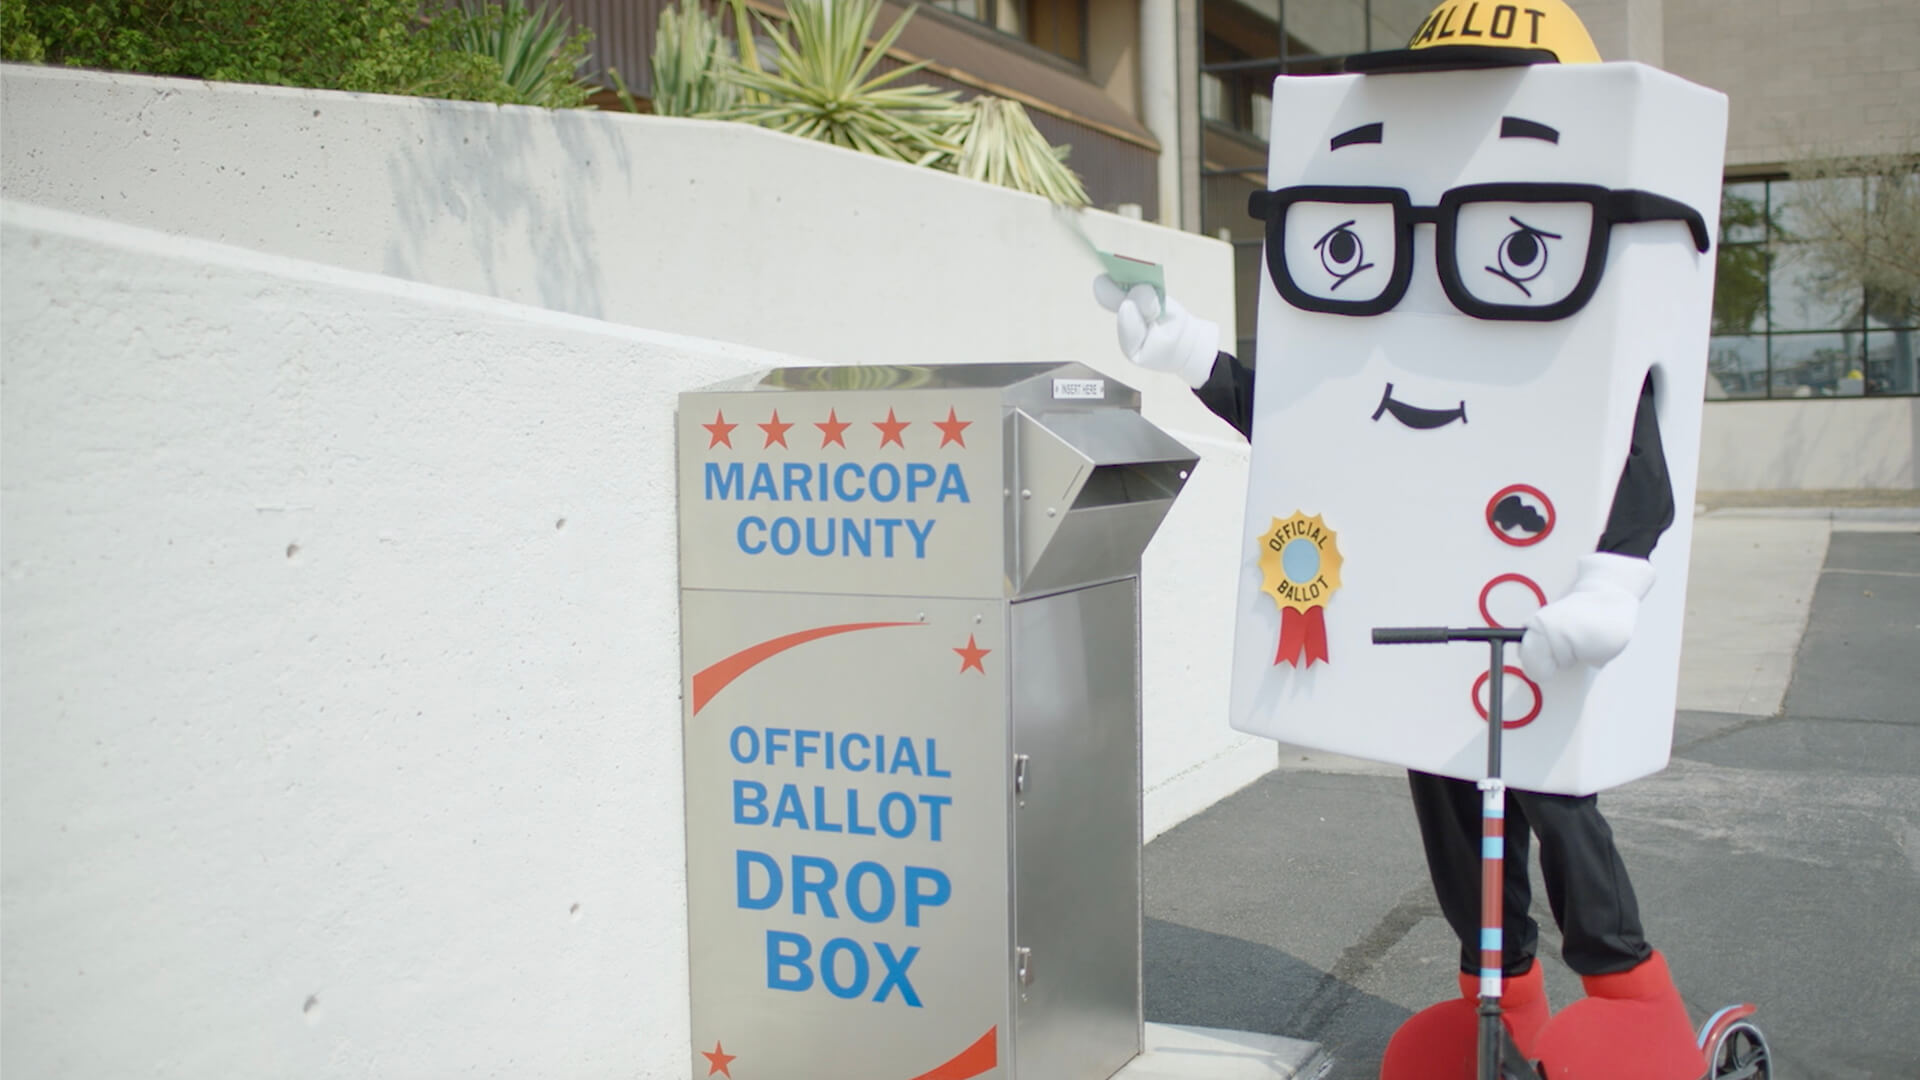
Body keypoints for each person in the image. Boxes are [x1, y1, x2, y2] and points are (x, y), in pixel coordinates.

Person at [1091, 7, 1716, 1076]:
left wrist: (1615, 579)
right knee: (1446, 796)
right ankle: (1501, 993)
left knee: (1556, 797)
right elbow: (1307, 424)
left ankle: (1625, 989)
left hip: (1544, 613)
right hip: (1425, 623)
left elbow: (1637, 444)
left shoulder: (1593, 315)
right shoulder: (1390, 302)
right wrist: (1193, 351)